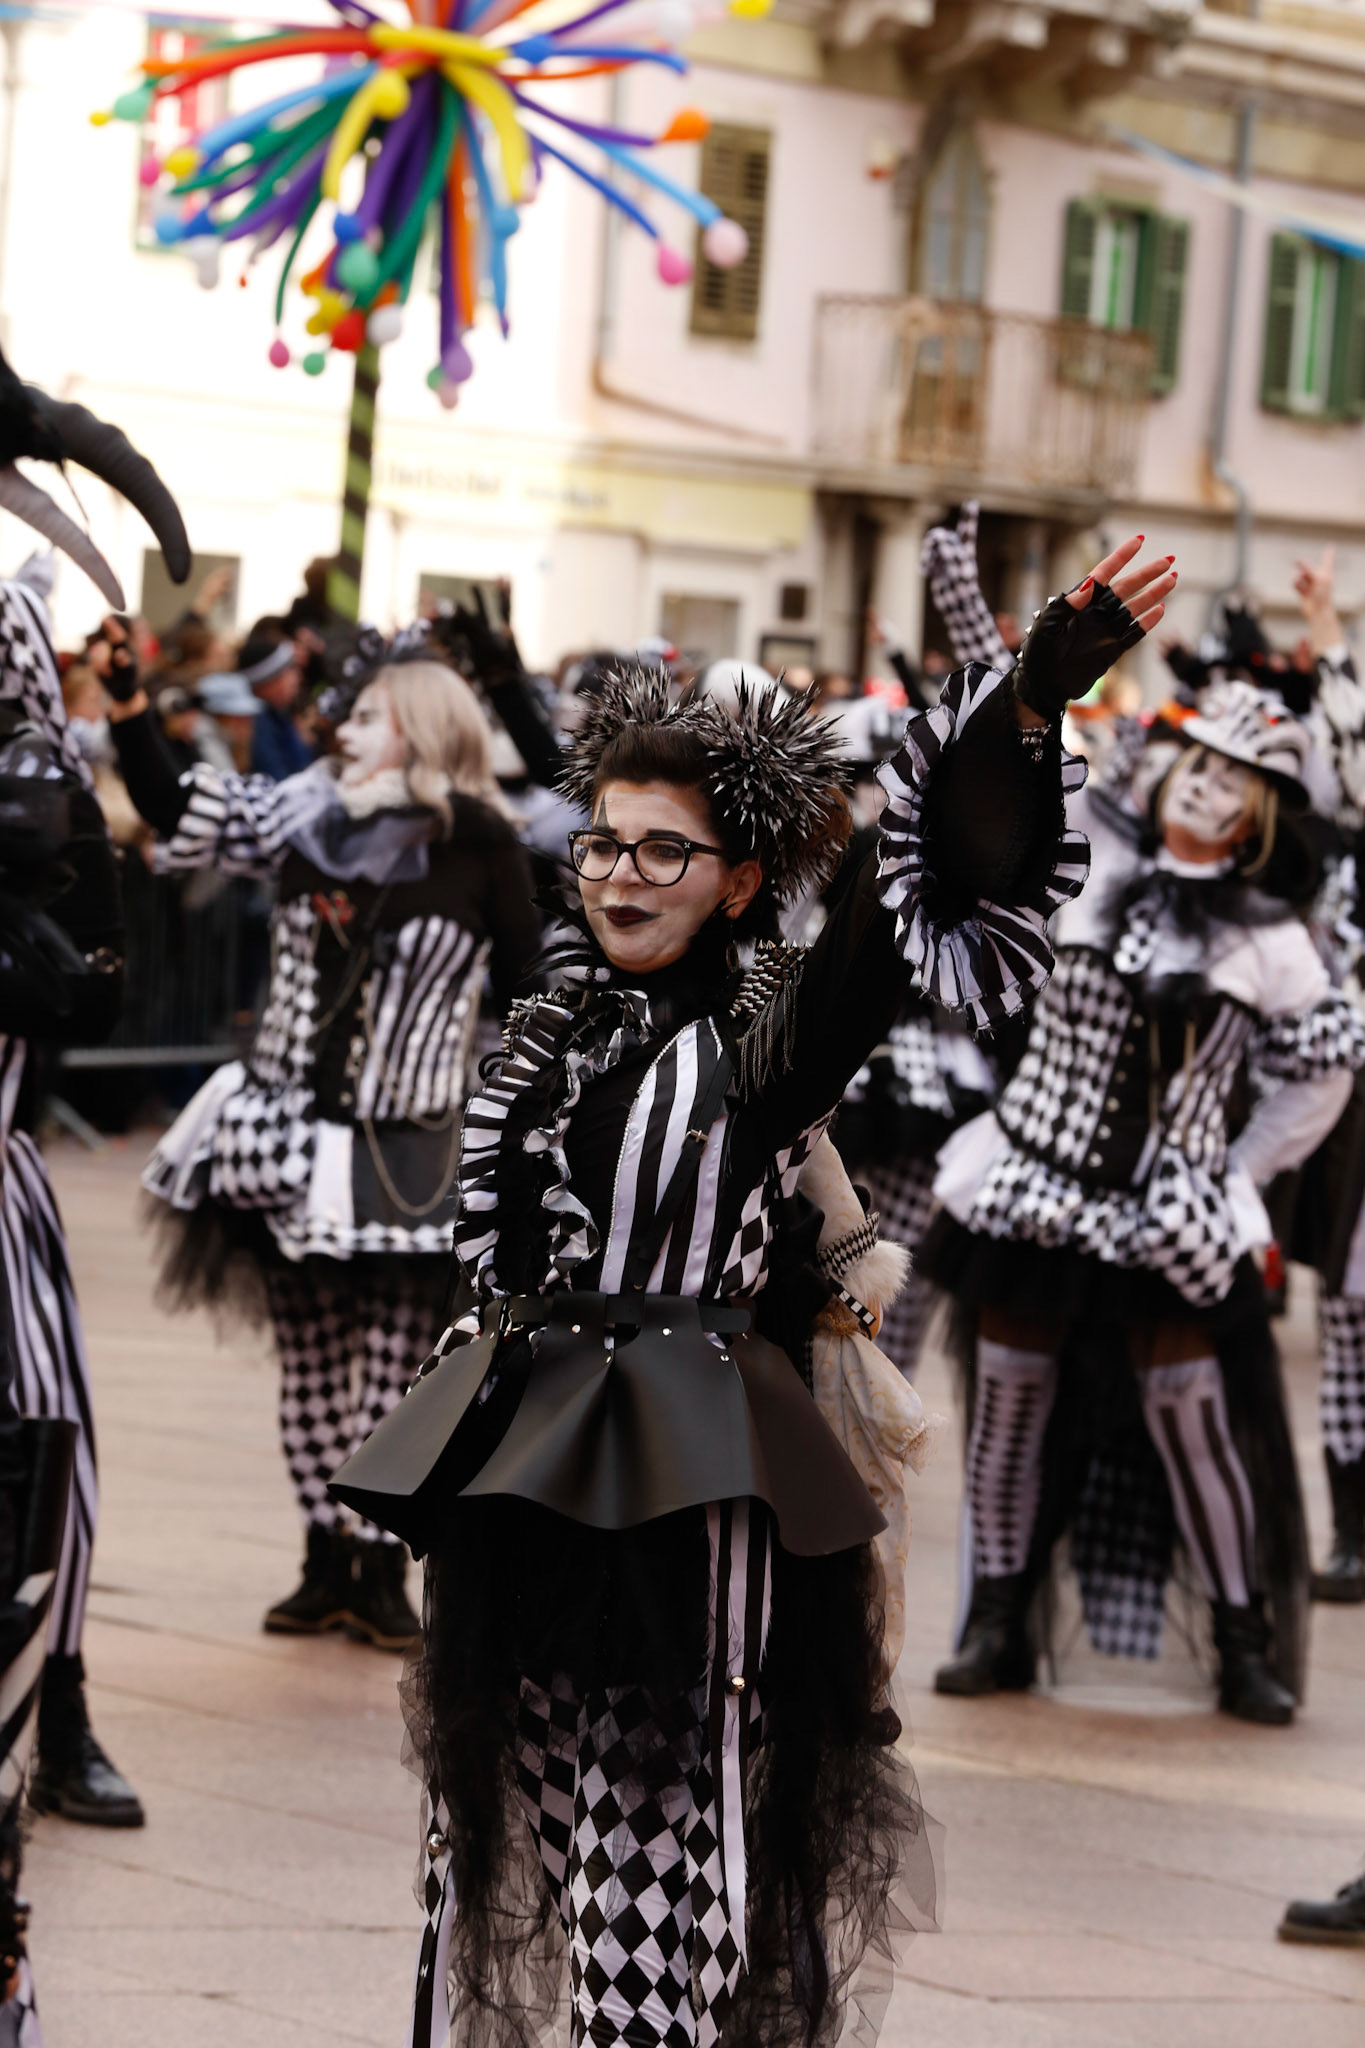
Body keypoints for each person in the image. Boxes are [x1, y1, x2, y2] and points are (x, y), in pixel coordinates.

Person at [331, 540, 1176, 2048]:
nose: (620, 875)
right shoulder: (557, 1023)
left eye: (664, 852)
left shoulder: (764, 1037)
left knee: (658, 1874)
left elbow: (904, 908)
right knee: (489, 1845)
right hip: (518, 1475)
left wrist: (1027, 698)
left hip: (682, 1489)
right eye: (603, 843)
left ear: (736, 882)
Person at [922, 677, 1365, 1724]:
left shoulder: (1272, 939)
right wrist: (1036, 672)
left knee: (1190, 1413)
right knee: (1010, 1401)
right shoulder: (1090, 860)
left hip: (1174, 1208)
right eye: (1198, 761)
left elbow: (1322, 1073)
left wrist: (1240, 1169)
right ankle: (995, 1621)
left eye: (1236, 779)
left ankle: (1242, 1641)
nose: (1207, 785)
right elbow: (1003, 796)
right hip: (1033, 1180)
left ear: (1260, 818)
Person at [105, 638, 541, 1649]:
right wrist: (128, 705)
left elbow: (532, 987)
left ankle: (376, 1561)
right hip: (288, 1137)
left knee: (394, 1368)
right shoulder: (306, 816)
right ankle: (321, 1557)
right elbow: (174, 806)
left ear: (423, 729)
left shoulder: (480, 839)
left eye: (370, 716)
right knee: (309, 1359)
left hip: (412, 1148)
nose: (344, 730)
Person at [0, 348, 191, 1827]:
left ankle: (52, 1707)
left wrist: (68, 903)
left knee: (46, 1418)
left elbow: (73, 856)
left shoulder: (13, 626)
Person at [240, 630, 314, 782]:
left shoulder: (280, 715)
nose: (298, 677)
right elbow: (280, 782)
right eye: (290, 671)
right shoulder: (258, 726)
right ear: (267, 681)